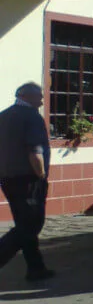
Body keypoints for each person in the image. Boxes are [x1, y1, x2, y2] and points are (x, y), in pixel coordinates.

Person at [0, 82, 55, 282]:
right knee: (31, 224)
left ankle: (36, 267)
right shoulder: (32, 117)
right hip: (29, 179)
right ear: (27, 96)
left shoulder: (3, 116)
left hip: (7, 178)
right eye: (39, 96)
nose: (41, 101)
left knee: (23, 223)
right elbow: (35, 151)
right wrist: (40, 175)